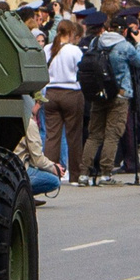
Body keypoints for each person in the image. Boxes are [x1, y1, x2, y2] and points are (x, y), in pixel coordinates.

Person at [79, 10, 135, 183]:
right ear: (124, 31)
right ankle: (105, 173)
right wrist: (138, 43)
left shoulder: (97, 41)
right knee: (112, 135)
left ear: (108, 28)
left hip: (99, 92)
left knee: (94, 134)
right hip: (120, 94)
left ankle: (84, 173)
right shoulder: (125, 46)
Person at [39, 18, 86, 177]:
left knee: (52, 136)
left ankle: (50, 174)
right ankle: (75, 173)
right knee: (73, 136)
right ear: (72, 32)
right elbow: (80, 72)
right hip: (71, 92)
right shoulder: (74, 50)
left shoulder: (47, 49)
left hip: (51, 93)